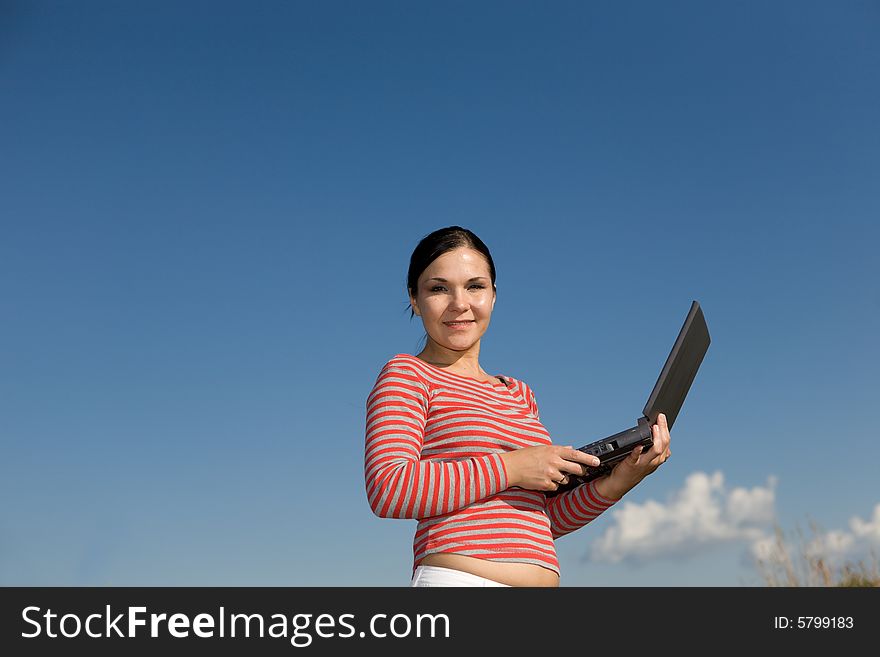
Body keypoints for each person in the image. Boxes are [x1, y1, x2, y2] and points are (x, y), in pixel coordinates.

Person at [364, 226, 671, 587]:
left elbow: (540, 519)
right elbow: (389, 488)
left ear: (493, 296)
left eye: (475, 286)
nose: (459, 303)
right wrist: (512, 467)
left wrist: (618, 482)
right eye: (438, 288)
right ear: (415, 300)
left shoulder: (519, 393)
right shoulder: (408, 374)